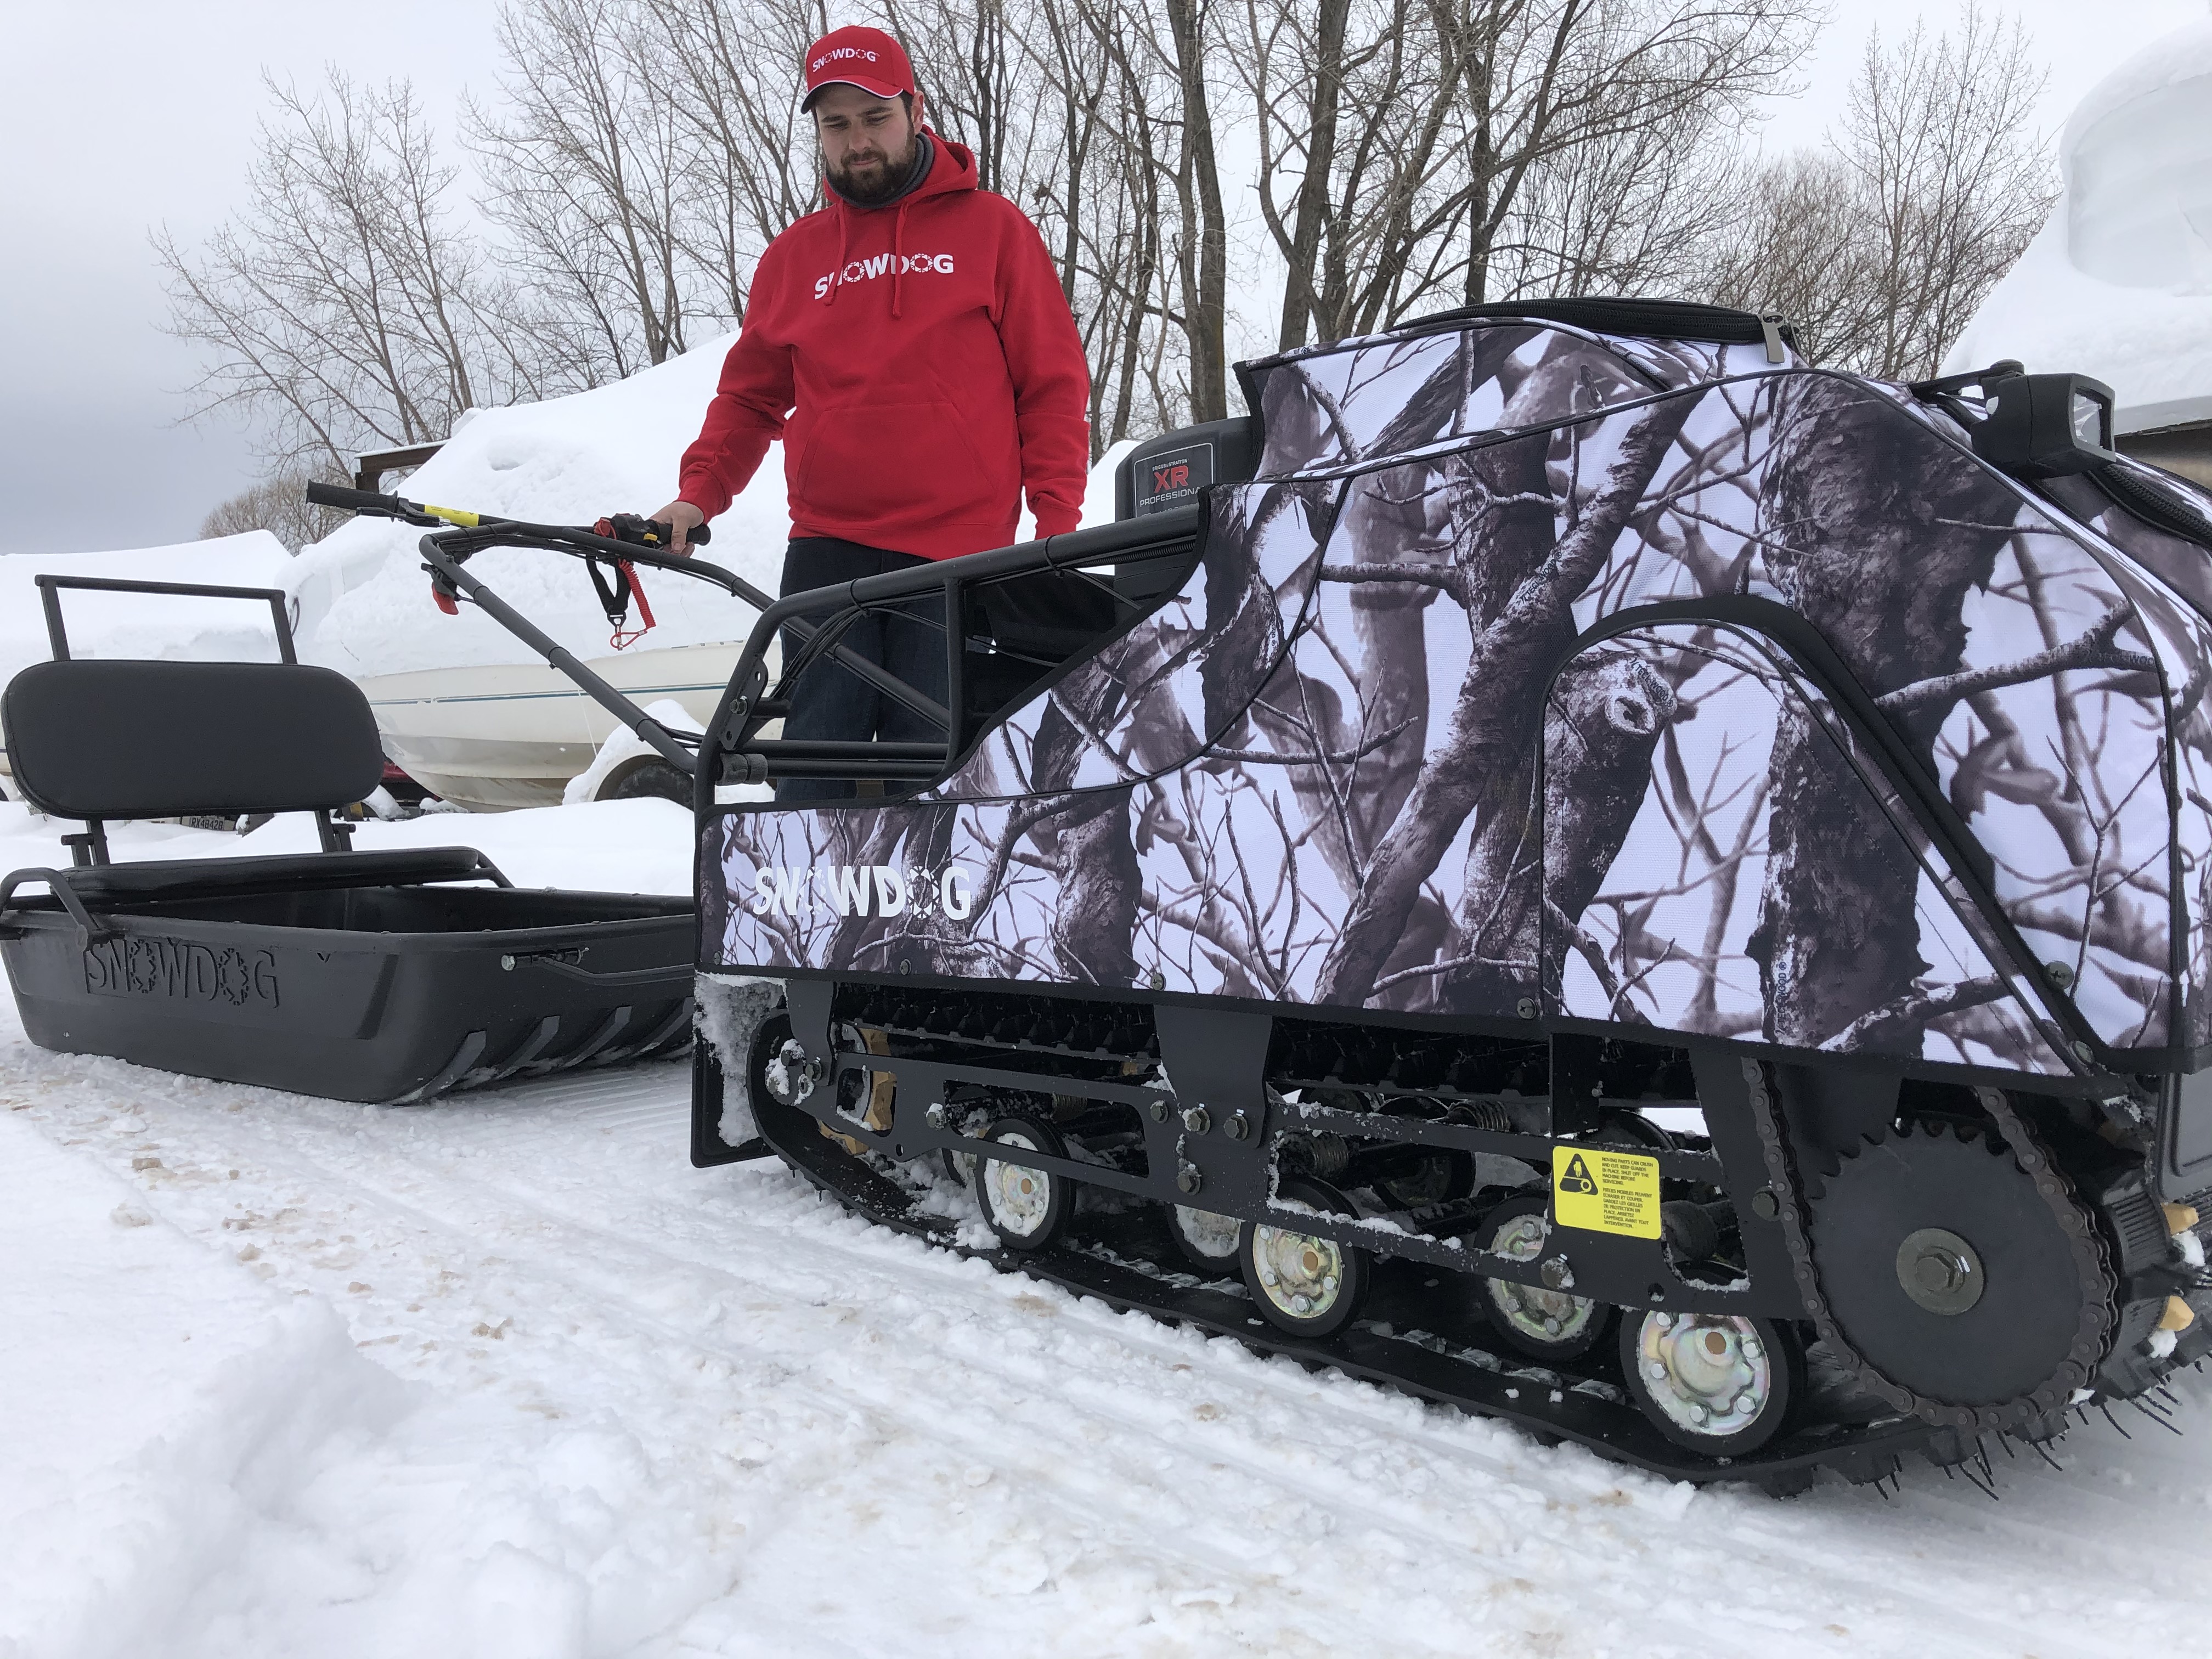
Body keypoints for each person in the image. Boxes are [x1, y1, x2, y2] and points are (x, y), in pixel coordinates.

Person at [652, 24, 1091, 800]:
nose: (858, 140)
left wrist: (1055, 522)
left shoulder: (994, 232)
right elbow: (750, 397)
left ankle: (939, 924)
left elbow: (1051, 384)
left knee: (937, 777)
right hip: (829, 552)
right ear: (819, 134)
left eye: (874, 117)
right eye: (836, 124)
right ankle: (811, 921)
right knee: (812, 775)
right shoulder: (793, 259)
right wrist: (697, 495)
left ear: (915, 110)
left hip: (957, 557)